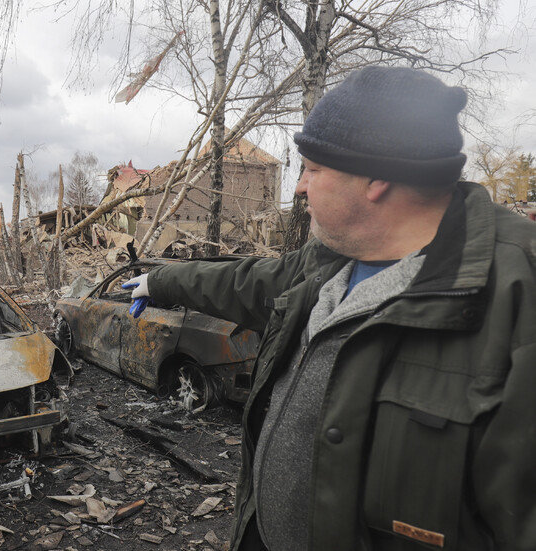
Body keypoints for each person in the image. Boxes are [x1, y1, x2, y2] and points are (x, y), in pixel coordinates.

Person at [123, 66, 536, 550]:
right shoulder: (332, 260)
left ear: (376, 179)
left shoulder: (515, 300)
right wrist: (158, 279)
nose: (299, 187)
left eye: (312, 170)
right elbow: (245, 281)